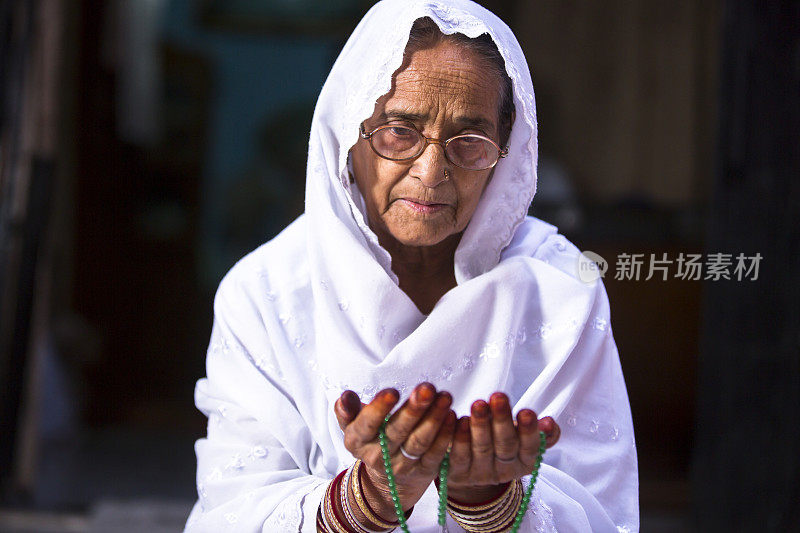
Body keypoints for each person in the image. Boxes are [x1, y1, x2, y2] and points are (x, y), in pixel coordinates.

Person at [184, 0, 638, 531]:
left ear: (508, 148)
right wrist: (363, 499)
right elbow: (234, 508)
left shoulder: (559, 289)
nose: (431, 171)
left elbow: (601, 510)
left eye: (469, 142)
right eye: (400, 131)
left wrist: (490, 500)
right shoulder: (266, 294)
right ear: (347, 133)